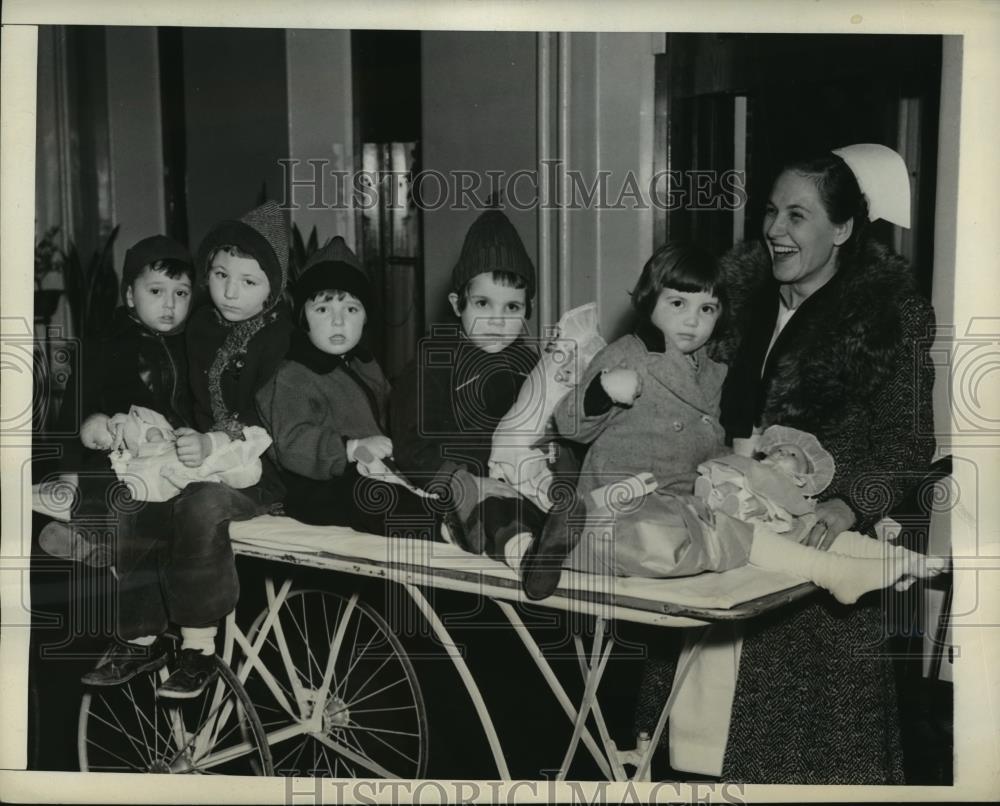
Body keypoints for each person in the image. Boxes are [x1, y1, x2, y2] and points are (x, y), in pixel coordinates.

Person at [637, 144, 937, 784]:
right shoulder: (726, 302)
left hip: (811, 562)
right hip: (715, 525)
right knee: (689, 748)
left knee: (793, 761)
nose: (775, 229)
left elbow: (908, 443)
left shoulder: (888, 318)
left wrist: (848, 500)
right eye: (772, 212)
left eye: (797, 216)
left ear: (844, 229)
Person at [80, 201, 294, 699]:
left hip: (258, 473)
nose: (230, 291)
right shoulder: (200, 328)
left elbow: (275, 426)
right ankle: (141, 634)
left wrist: (212, 442)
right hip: (194, 461)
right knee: (137, 499)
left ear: (274, 289)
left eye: (249, 281)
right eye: (219, 275)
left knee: (199, 507)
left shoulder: (280, 340)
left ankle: (199, 647)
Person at [390, 208, 558, 564]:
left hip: (517, 482)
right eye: (483, 304)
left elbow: (542, 428)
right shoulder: (433, 361)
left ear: (527, 310)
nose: (497, 321)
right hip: (455, 490)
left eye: (512, 307)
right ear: (458, 305)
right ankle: (524, 555)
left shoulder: (528, 363)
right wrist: (467, 482)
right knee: (495, 514)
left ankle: (561, 539)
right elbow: (411, 446)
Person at [257, 236, 442, 537]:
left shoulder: (366, 364)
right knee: (368, 496)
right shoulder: (294, 373)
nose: (338, 322)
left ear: (366, 317)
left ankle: (459, 512)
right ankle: (440, 526)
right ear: (303, 317)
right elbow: (291, 441)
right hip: (316, 483)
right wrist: (349, 448)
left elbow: (393, 414)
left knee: (423, 473)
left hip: (376, 466)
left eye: (351, 310)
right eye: (323, 310)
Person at [38, 235, 194, 566]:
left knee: (166, 501)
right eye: (156, 291)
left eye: (180, 293)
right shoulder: (104, 344)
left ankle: (117, 548)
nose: (169, 304)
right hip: (115, 450)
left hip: (166, 454)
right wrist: (68, 477)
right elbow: (72, 415)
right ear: (129, 295)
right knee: (107, 477)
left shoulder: (191, 348)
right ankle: (87, 535)